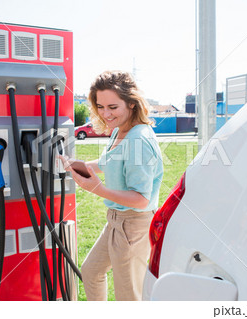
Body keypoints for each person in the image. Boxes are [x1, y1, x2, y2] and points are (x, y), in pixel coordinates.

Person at [61, 70, 163, 301]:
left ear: (131, 103)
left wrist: (98, 189)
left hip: (133, 225)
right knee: (91, 272)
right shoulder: (120, 130)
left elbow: (141, 199)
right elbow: (107, 162)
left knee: (128, 296)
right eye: (100, 106)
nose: (105, 114)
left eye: (113, 107)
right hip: (115, 221)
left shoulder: (139, 139)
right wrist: (72, 165)